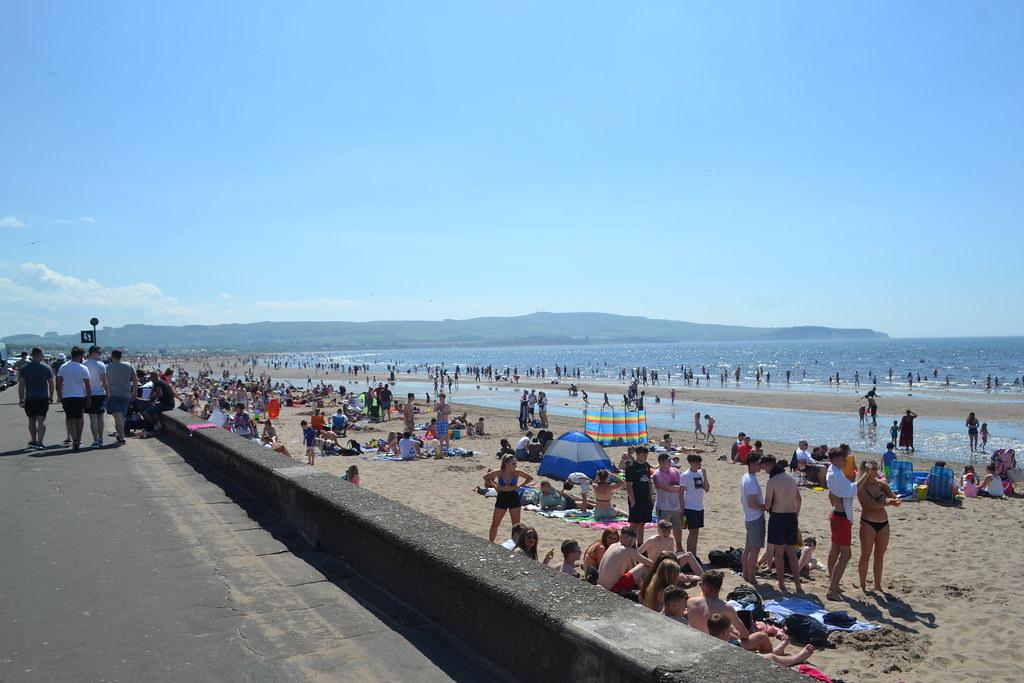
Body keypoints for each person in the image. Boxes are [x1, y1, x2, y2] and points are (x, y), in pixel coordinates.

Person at [686, 571, 773, 653]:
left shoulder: (691, 602)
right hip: (715, 648)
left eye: (701, 584)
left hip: (696, 644)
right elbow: (744, 634)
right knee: (762, 637)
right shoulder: (726, 607)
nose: (700, 586)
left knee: (728, 632)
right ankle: (765, 660)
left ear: (705, 586)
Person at [825, 446, 868, 601]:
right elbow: (851, 490)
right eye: (840, 459)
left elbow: (839, 492)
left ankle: (833, 582)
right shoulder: (835, 474)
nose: (844, 461)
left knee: (835, 549)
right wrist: (866, 474)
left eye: (844, 459)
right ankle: (832, 589)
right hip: (841, 517)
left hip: (837, 515)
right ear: (833, 460)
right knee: (846, 554)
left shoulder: (834, 472)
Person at [706, 613, 815, 666]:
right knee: (771, 658)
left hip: (731, 645)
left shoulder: (714, 637)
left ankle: (776, 652)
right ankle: (797, 658)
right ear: (725, 633)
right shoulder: (718, 648)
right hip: (733, 655)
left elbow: (740, 638)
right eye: (729, 630)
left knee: (761, 636)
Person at [857, 460, 900, 591]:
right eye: (871, 469)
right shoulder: (861, 487)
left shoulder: (881, 484)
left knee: (879, 556)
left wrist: (896, 500)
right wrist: (888, 502)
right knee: (866, 555)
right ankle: (863, 584)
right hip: (867, 523)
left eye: (876, 469)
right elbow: (869, 504)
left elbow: (894, 498)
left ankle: (877, 585)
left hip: (883, 524)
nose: (874, 472)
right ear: (865, 471)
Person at [763, 454, 802, 592]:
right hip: (791, 517)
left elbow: (767, 505)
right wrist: (795, 515)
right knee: (791, 552)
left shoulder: (772, 481)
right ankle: (797, 584)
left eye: (764, 466)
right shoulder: (791, 477)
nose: (763, 469)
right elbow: (799, 499)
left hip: (778, 517)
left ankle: (781, 583)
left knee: (778, 553)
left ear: (769, 465)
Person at [484, 455, 533, 542]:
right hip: (502, 497)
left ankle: (515, 544)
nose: (516, 465)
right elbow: (486, 477)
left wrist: (519, 486)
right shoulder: (500, 472)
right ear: (506, 463)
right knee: (495, 524)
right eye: (513, 463)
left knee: (516, 526)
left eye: (516, 463)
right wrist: (495, 486)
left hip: (513, 497)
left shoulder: (516, 472)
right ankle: (491, 543)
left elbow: (530, 478)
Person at [56, 347, 92, 452]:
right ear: (79, 356)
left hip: (67, 396)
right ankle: (78, 439)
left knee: (70, 418)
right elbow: (87, 385)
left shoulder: (63, 367)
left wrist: (59, 395)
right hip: (79, 396)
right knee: (79, 418)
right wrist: (89, 398)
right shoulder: (83, 368)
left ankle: (74, 439)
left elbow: (58, 383)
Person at [17, 347, 54, 450]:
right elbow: (51, 384)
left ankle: (34, 440)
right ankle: (40, 442)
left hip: (30, 398)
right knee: (41, 421)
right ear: (41, 355)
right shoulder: (47, 368)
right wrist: (51, 396)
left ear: (32, 355)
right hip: (43, 397)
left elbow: (21, 385)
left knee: (31, 421)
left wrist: (21, 398)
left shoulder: (24, 368)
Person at [596, 526, 654, 593]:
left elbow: (631, 567)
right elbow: (650, 563)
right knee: (643, 566)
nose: (630, 542)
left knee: (634, 567)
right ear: (620, 537)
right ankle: (645, 593)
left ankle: (642, 589)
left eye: (632, 540)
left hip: (601, 587)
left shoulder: (613, 546)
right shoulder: (627, 550)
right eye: (627, 539)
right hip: (613, 589)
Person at [740, 452, 766, 583]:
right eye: (758, 463)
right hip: (754, 518)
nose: (761, 466)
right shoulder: (750, 480)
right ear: (752, 464)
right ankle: (751, 576)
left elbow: (743, 500)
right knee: (754, 550)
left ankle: (746, 574)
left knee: (749, 548)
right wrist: (764, 506)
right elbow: (751, 502)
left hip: (749, 517)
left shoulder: (746, 477)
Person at [104, 349, 138, 445]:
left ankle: (122, 437)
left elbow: (104, 381)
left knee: (118, 416)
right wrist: (135, 391)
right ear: (121, 356)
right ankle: (120, 434)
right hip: (126, 394)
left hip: (113, 394)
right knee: (121, 416)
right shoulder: (128, 365)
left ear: (112, 356)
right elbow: (135, 379)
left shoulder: (107, 367)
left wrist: (106, 392)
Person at [679, 454, 709, 556]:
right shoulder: (686, 475)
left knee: (696, 532)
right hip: (690, 507)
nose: (699, 464)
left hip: (699, 507)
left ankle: (694, 554)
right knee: (692, 532)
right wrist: (682, 509)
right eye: (697, 462)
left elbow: (707, 489)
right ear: (691, 463)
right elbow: (681, 493)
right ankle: (689, 554)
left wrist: (704, 475)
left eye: (700, 462)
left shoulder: (700, 473)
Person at [653, 452, 684, 551]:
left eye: (670, 460)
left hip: (676, 506)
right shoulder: (657, 474)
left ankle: (679, 547)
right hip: (664, 507)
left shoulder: (675, 471)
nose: (670, 462)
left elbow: (681, 484)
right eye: (667, 461)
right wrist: (681, 488)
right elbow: (666, 488)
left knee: (678, 529)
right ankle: (662, 548)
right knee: (663, 530)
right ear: (661, 462)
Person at [624, 446, 655, 543]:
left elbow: (649, 482)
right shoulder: (631, 467)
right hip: (636, 499)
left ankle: (640, 544)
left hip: (646, 499)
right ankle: (628, 543)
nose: (645, 457)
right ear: (637, 454)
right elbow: (628, 486)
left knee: (642, 524)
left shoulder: (646, 465)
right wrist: (632, 501)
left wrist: (651, 497)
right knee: (634, 524)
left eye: (646, 455)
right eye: (643, 455)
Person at [83, 345, 109, 448]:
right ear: (94, 353)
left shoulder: (84, 364)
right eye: (99, 353)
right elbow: (104, 380)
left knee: (92, 418)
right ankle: (101, 439)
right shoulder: (101, 365)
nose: (100, 355)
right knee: (100, 418)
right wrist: (107, 392)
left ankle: (95, 440)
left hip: (88, 394)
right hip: (99, 393)